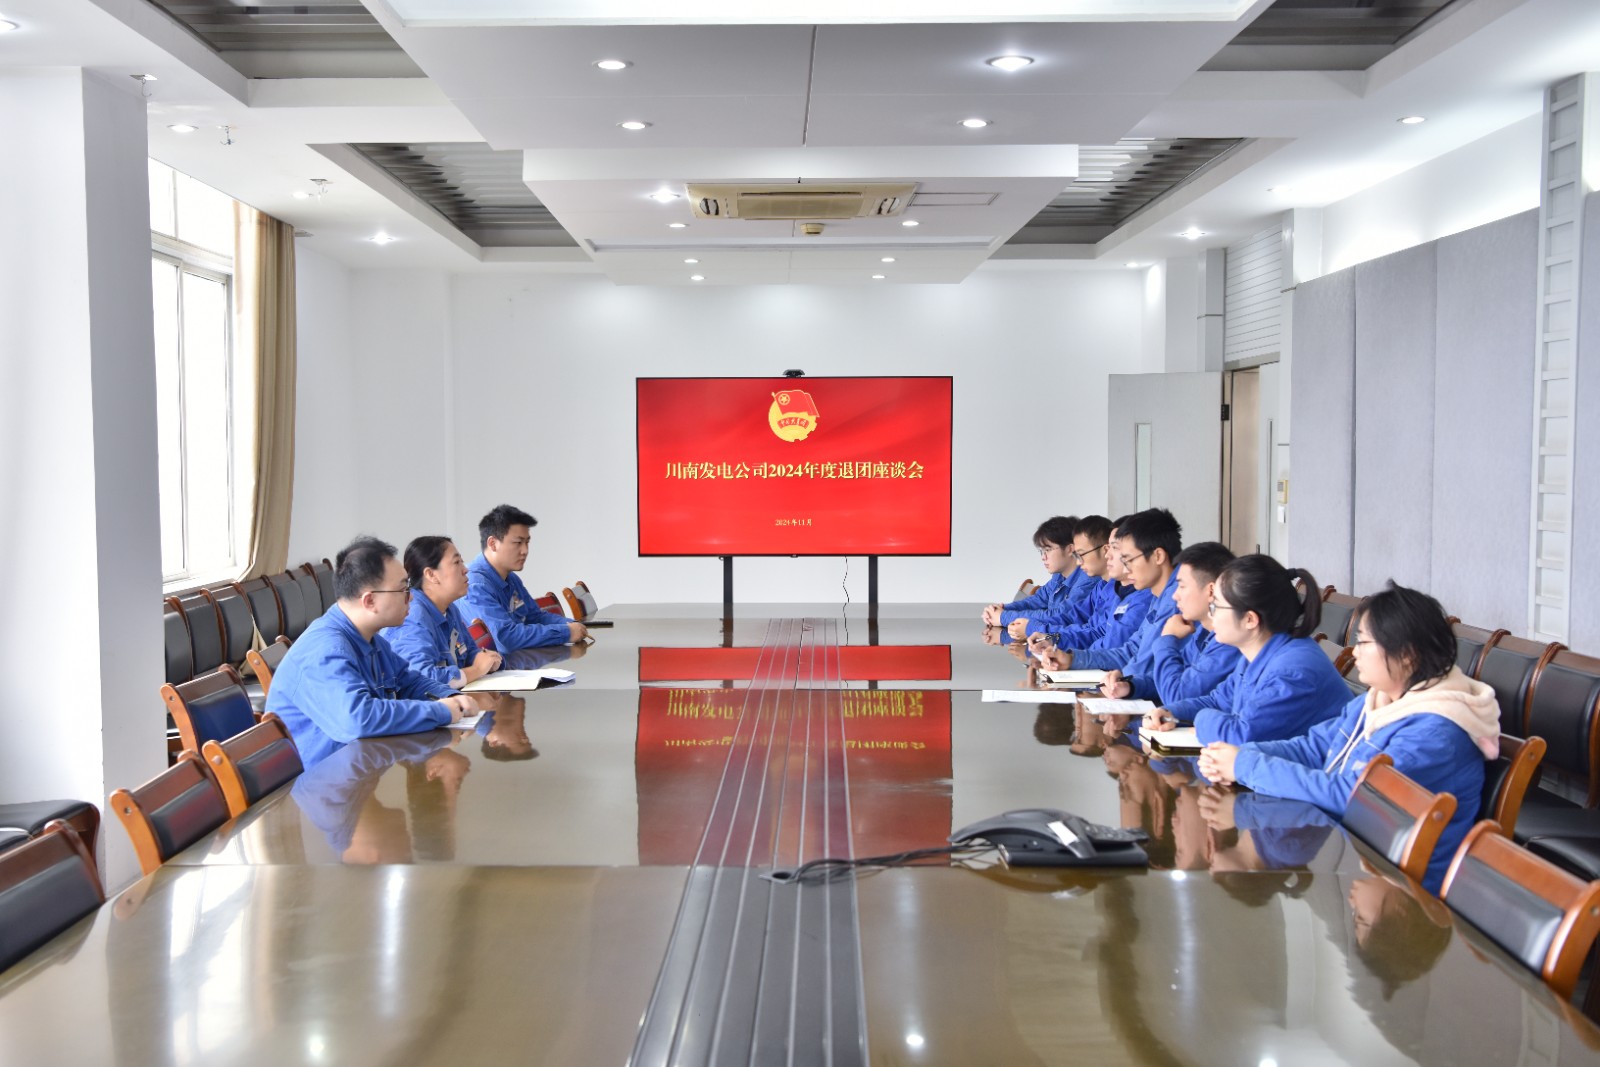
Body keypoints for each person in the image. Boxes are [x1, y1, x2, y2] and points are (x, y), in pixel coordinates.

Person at [1199, 582, 1499, 893]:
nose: (1354, 652)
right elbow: (1314, 746)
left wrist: (1246, 765)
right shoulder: (1378, 701)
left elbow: (1354, 797)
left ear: (1407, 656)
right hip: (1360, 854)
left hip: (1404, 889)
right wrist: (1240, 756)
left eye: (1364, 642)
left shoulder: (1434, 735)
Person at [267, 536, 479, 768]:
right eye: (403, 589)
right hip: (320, 780)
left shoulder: (370, 639)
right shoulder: (325, 650)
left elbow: (408, 681)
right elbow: (359, 718)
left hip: (360, 767)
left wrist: (451, 697)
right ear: (369, 601)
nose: (411, 597)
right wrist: (439, 711)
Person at [1146, 554, 1348, 745]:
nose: (1211, 614)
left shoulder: (1292, 671)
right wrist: (1171, 712)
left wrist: (1200, 720)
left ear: (1250, 619)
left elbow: (1242, 736)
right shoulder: (1256, 653)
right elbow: (1218, 701)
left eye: (1216, 606)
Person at [1031, 508, 1183, 675]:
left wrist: (1130, 684)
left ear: (1158, 556)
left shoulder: (1174, 601)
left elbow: (1156, 673)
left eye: (1128, 558)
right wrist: (1071, 657)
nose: (1110, 557)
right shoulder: (1157, 597)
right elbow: (1129, 651)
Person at [1101, 541, 1240, 704]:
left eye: (1182, 586)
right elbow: (1171, 679)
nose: (1175, 595)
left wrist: (1167, 639)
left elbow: (1176, 696)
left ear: (1210, 591)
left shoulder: (1227, 642)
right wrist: (1130, 686)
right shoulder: (1203, 632)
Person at [387, 535, 503, 690]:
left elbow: (469, 652)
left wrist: (487, 661)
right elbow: (421, 679)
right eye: (456, 562)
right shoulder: (412, 616)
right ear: (431, 575)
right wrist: (476, 670)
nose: (465, 569)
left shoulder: (449, 609)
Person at [464, 504, 588, 650]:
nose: (525, 550)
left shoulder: (511, 578)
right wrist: (565, 632)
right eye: (518, 543)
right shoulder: (475, 586)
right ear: (493, 544)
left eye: (527, 542)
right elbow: (506, 637)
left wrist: (572, 625)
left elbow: (535, 617)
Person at [1006, 514, 1117, 641]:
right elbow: (1072, 617)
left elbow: (1093, 634)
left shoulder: (1093, 581)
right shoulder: (1101, 586)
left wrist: (1034, 629)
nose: (1043, 557)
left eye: (1081, 554)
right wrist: (1006, 612)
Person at [981, 515, 1086, 627]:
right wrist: (1000, 610)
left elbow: (1061, 616)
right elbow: (1037, 600)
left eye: (1047, 550)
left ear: (1070, 549)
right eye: (1041, 551)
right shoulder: (1059, 576)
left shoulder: (1087, 579)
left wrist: (1003, 617)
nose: (1043, 557)